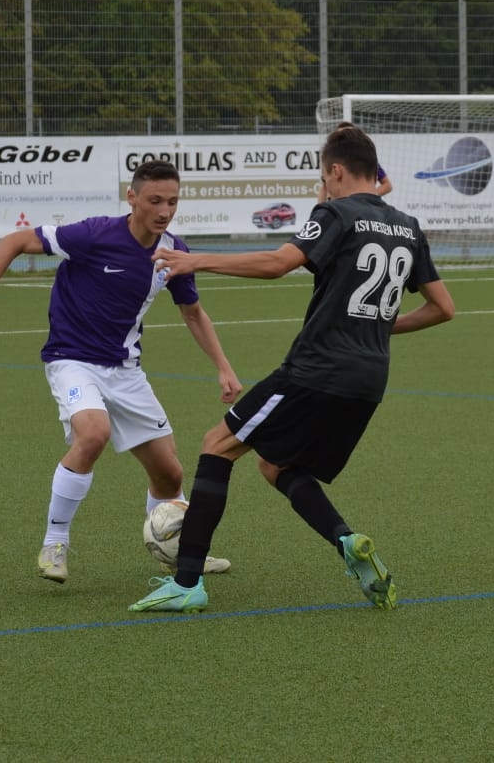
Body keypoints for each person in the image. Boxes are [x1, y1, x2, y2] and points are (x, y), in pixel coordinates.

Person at [131, 124, 455, 614]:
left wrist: (195, 260)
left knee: (217, 444)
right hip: (370, 379)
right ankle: (347, 542)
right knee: (276, 465)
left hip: (317, 369)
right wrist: (377, 327)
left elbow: (278, 263)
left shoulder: (337, 213)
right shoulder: (408, 226)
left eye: (324, 178)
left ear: (336, 171)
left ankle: (187, 582)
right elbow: (443, 308)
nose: (324, 187)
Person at [0, 159, 243, 585]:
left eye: (172, 202)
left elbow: (193, 313)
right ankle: (55, 543)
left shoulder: (172, 251)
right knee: (93, 434)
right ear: (132, 197)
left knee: (170, 474)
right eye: (155, 200)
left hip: (126, 370)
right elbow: (14, 240)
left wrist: (224, 367)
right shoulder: (94, 235)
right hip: (72, 360)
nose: (164, 210)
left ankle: (178, 552)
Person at [316, 121, 392, 201]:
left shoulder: (366, 160)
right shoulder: (331, 161)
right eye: (342, 137)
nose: (346, 139)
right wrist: (321, 206)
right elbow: (324, 187)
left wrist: (364, 198)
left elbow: (387, 185)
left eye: (349, 135)